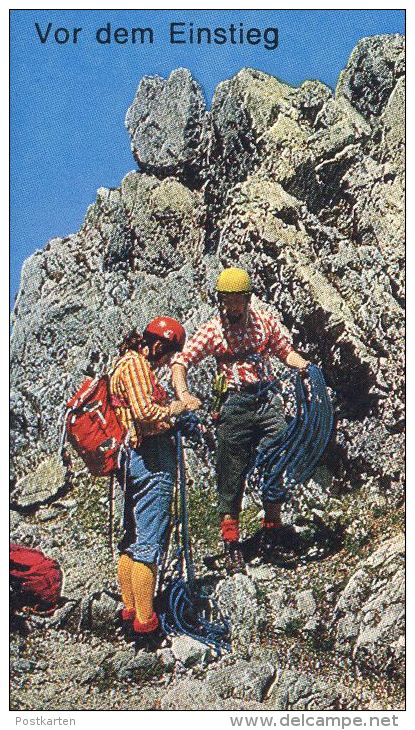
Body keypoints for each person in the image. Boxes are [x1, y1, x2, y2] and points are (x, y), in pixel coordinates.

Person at [171, 267, 310, 574]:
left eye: (237, 301)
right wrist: (183, 393)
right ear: (220, 301)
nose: (231, 307)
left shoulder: (264, 322)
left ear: (247, 299)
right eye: (226, 301)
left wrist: (304, 366)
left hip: (266, 399)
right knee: (230, 472)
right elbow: (181, 361)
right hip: (234, 406)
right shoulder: (212, 330)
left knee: (279, 454)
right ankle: (231, 544)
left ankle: (272, 530)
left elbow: (284, 351)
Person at [110, 316, 187, 646]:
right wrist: (179, 407)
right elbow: (144, 412)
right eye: (168, 353)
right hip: (150, 460)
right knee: (148, 544)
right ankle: (146, 626)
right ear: (157, 345)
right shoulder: (137, 365)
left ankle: (131, 613)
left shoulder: (122, 363)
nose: (168, 361)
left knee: (132, 539)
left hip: (130, 460)